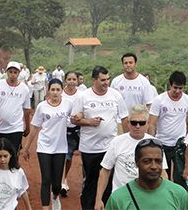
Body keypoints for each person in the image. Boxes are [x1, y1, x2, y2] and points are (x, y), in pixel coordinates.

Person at [71, 65, 129, 210]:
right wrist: (89, 122)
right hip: (90, 148)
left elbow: (125, 118)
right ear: (94, 80)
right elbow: (73, 120)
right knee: (91, 181)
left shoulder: (115, 95)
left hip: (110, 147)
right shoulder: (83, 96)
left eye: (108, 79)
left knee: (109, 181)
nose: (106, 83)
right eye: (102, 80)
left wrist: (128, 140)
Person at [95, 104, 168, 210]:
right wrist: (98, 199)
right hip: (122, 197)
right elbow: (105, 171)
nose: (137, 126)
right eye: (134, 122)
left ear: (147, 124)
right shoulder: (117, 142)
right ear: (128, 123)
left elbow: (163, 173)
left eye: (141, 123)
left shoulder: (155, 144)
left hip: (147, 196)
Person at [23, 79, 73, 210]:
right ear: (48, 90)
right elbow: (34, 128)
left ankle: (55, 197)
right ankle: (45, 208)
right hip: (44, 146)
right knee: (46, 179)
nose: (55, 93)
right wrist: (26, 148)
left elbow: (75, 119)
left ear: (62, 91)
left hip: (60, 148)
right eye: (53, 89)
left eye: (58, 90)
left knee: (57, 184)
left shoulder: (68, 104)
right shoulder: (42, 106)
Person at [105, 138, 188, 210]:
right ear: (136, 162)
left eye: (158, 161)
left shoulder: (179, 194)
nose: (154, 166)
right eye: (147, 161)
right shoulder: (118, 198)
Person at [148, 71, 188, 188]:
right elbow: (152, 123)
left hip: (180, 144)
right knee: (162, 176)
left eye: (180, 88)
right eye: (175, 88)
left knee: (181, 177)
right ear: (170, 85)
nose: (177, 91)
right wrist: (152, 142)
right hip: (162, 143)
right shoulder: (159, 100)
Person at [0, 61, 32, 154]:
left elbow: (26, 110)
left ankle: (14, 168)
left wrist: (27, 127)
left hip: (16, 128)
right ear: (7, 72)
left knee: (14, 154)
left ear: (19, 73)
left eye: (15, 72)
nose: (13, 75)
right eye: (10, 72)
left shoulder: (24, 89)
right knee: (0, 154)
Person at [60, 71, 81, 197]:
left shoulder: (81, 95)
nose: (72, 81)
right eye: (69, 79)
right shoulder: (61, 93)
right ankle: (62, 181)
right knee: (65, 156)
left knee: (70, 159)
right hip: (62, 130)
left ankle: (64, 177)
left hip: (78, 130)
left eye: (74, 79)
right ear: (65, 80)